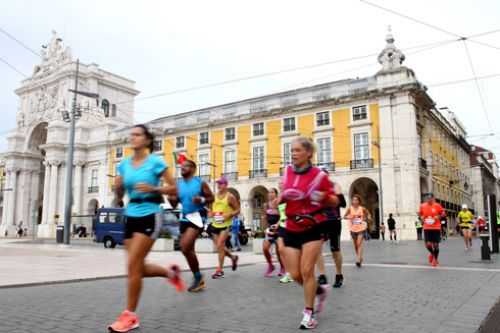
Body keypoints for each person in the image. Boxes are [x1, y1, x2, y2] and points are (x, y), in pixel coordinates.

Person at [108, 124, 184, 333]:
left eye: (137, 135)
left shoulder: (156, 162)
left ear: (147, 140)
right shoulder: (124, 165)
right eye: (131, 135)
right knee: (137, 268)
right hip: (130, 215)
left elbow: (174, 188)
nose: (132, 138)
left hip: (150, 215)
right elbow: (120, 188)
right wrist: (117, 187)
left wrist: (154, 188)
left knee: (133, 266)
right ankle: (170, 273)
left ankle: (129, 316)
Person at [280, 137, 338, 329]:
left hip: (313, 225)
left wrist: (323, 197)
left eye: (297, 150)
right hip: (291, 226)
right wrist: (277, 200)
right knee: (295, 273)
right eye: (292, 151)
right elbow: (284, 194)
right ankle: (320, 291)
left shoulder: (319, 176)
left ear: (308, 153)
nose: (293, 154)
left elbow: (335, 201)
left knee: (306, 271)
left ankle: (308, 313)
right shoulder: (287, 171)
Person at [168, 159, 214, 292]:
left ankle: (198, 277)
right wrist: (171, 200)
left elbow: (212, 198)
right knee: (188, 250)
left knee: (184, 247)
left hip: (198, 216)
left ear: (193, 169)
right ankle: (198, 278)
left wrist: (202, 199)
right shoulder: (178, 185)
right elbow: (174, 205)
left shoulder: (200, 183)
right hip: (185, 217)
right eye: (181, 166)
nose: (182, 168)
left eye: (186, 166)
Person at [316, 169, 346, 289]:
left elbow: (343, 204)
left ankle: (339, 275)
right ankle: (322, 275)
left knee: (335, 250)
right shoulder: (316, 189)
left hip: (334, 221)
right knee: (317, 248)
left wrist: (336, 195)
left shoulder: (335, 186)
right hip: (321, 221)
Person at [208, 177, 240, 279]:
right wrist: (211, 213)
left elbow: (238, 210)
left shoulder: (230, 197)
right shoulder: (214, 196)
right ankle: (233, 257)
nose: (218, 185)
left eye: (221, 184)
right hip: (215, 224)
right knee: (220, 247)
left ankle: (220, 270)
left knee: (220, 244)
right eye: (218, 184)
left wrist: (229, 214)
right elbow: (210, 209)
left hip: (226, 225)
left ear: (226, 185)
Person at [262, 188, 285, 277]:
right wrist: (264, 228)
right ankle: (271, 265)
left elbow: (283, 216)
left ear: (276, 194)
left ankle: (283, 267)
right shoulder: (266, 205)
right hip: (270, 230)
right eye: (269, 192)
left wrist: (277, 225)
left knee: (279, 250)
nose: (270, 194)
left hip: (279, 229)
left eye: (272, 192)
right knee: (265, 248)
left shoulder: (279, 203)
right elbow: (265, 217)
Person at [344, 194, 370, 267]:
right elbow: (344, 216)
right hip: (353, 228)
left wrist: (367, 218)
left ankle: (358, 260)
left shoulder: (362, 208)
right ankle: (360, 257)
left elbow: (368, 214)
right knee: (355, 245)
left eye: (356, 200)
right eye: (353, 200)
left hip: (361, 228)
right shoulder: (350, 209)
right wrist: (349, 216)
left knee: (359, 244)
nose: (354, 201)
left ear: (359, 201)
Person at [419, 193, 444, 267]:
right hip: (427, 227)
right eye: (427, 198)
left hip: (436, 227)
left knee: (436, 245)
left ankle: (435, 259)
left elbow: (443, 213)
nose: (429, 199)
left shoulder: (437, 205)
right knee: (428, 244)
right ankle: (433, 254)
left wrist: (438, 216)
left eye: (430, 198)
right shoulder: (422, 206)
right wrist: (421, 218)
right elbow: (420, 214)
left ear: (433, 198)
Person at [277, 202, 294, 284]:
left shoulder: (291, 195)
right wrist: (277, 224)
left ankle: (295, 271)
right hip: (282, 226)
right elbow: (282, 215)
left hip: (291, 226)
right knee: (280, 249)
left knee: (291, 251)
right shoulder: (281, 198)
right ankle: (288, 273)